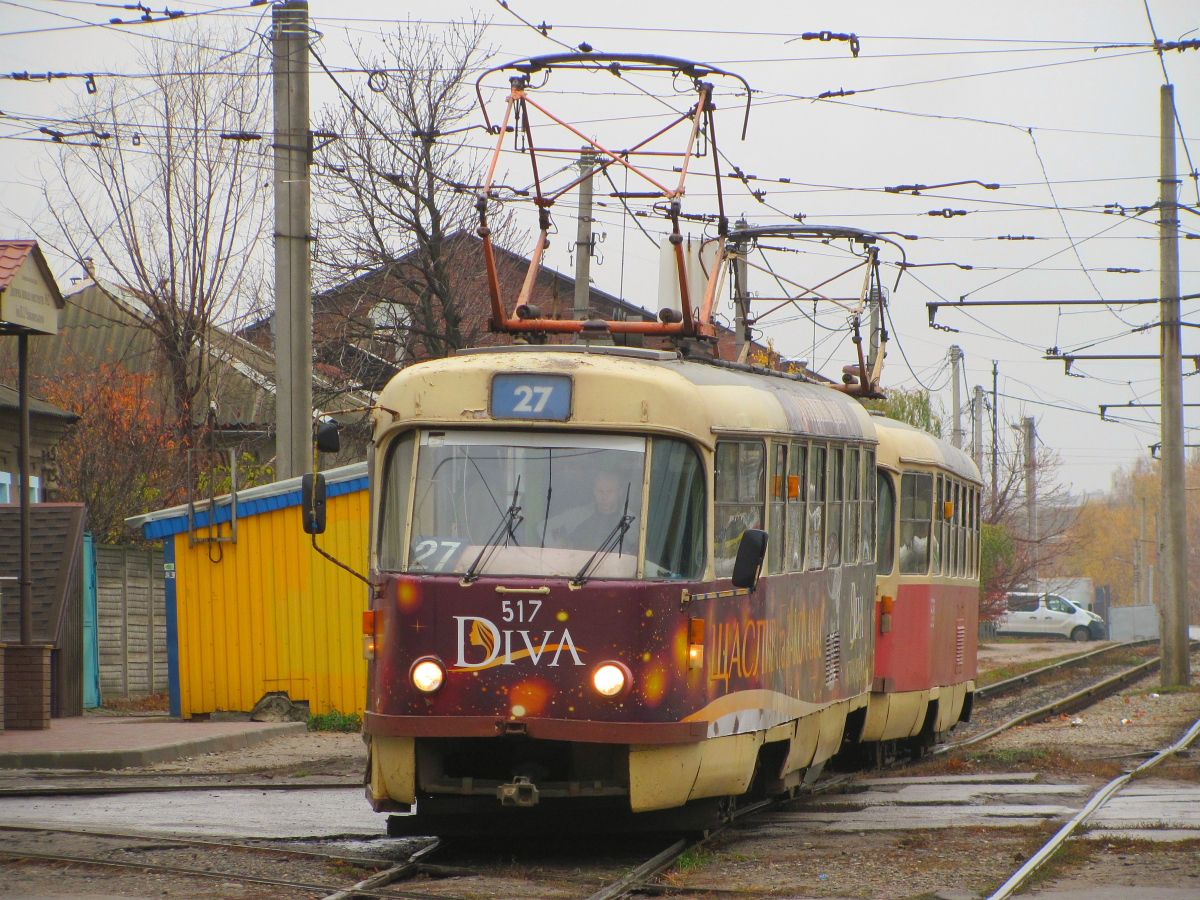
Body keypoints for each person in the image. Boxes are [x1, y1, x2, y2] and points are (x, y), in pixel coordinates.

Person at [568, 470, 632, 549]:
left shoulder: (632, 521)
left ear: (620, 492)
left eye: (610, 492)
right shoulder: (578, 516)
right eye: (600, 491)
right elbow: (550, 528)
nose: (604, 497)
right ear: (594, 491)